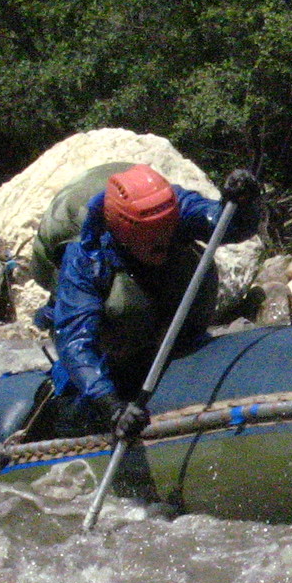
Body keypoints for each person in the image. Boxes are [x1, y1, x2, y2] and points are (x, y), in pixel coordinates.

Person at [27, 161, 263, 438]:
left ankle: (174, 342)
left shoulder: (171, 209)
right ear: (122, 234)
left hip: (163, 311)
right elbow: (76, 341)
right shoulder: (85, 257)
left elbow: (226, 224)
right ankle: (63, 411)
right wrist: (111, 406)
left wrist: (244, 202)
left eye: (167, 233)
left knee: (186, 266)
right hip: (110, 335)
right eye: (152, 240)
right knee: (121, 303)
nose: (163, 243)